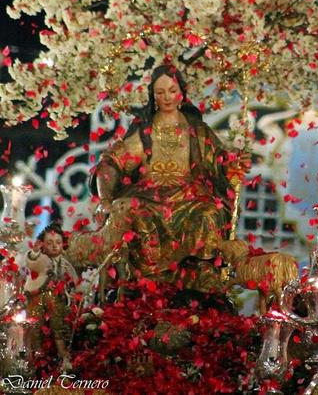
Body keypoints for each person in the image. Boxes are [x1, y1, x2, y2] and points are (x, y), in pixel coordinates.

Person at [86, 65, 248, 292]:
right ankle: (149, 281)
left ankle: (200, 275)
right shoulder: (145, 131)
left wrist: (234, 165)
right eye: (160, 93)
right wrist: (105, 198)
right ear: (153, 95)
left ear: (181, 92)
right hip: (149, 195)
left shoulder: (197, 130)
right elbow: (113, 163)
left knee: (208, 213)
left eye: (172, 91)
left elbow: (219, 162)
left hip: (191, 196)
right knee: (133, 212)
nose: (167, 98)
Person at [25, 223, 77, 367]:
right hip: (38, 297)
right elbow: (31, 262)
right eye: (49, 243)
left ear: (63, 244)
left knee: (59, 323)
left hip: (59, 299)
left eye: (58, 242)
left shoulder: (66, 263)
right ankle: (36, 354)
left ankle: (61, 351)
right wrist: (34, 253)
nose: (54, 246)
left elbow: (73, 280)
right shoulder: (41, 259)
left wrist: (72, 289)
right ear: (43, 245)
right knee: (36, 324)